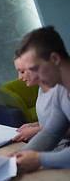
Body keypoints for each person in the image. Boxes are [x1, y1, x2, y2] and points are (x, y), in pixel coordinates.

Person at [7, 26, 70, 172]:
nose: (33, 77)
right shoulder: (61, 91)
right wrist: (19, 155)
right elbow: (51, 132)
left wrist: (38, 159)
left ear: (54, 59)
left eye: (35, 69)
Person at [11, 56, 70, 150]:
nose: (19, 77)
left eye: (22, 72)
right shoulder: (42, 88)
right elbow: (59, 121)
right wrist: (36, 125)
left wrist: (38, 131)